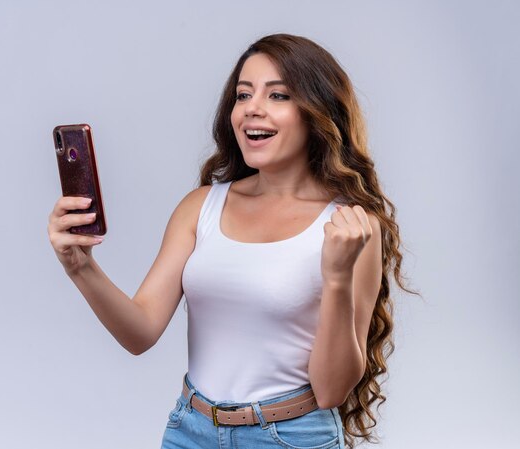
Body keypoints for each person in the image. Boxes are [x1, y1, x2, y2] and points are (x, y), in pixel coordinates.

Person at [47, 33, 417, 449]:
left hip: (290, 436)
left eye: (278, 95)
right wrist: (80, 266)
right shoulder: (201, 206)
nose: (252, 108)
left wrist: (337, 278)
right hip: (190, 430)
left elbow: (331, 391)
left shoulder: (351, 226)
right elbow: (140, 332)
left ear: (317, 112)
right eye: (243, 95)